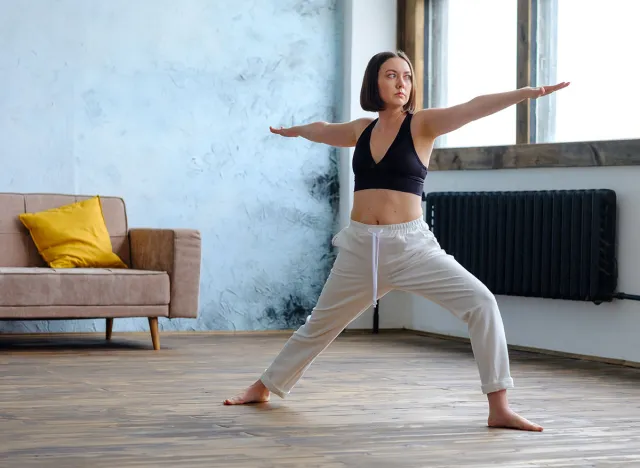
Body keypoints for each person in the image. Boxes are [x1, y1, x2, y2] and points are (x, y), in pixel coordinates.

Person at [224, 50, 569, 432]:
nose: (402, 83)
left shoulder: (422, 125)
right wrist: (294, 131)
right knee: (319, 325)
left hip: (412, 248)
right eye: (391, 75)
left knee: (481, 303)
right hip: (360, 246)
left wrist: (527, 92)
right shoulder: (361, 129)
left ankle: (499, 406)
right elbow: (322, 129)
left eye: (407, 76)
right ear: (375, 83)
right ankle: (263, 387)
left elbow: (473, 107)